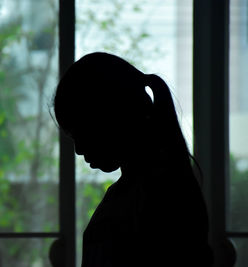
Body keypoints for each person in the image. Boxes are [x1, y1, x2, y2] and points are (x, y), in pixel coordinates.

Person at [52, 52, 213, 266]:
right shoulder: (161, 188)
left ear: (113, 116)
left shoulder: (157, 200)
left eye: (81, 132)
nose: (79, 150)